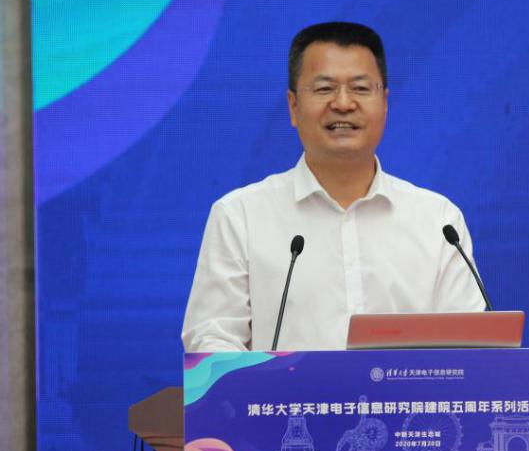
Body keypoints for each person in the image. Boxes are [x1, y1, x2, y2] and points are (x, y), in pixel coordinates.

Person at [182, 22, 486, 352]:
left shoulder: (438, 221)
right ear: (293, 107)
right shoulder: (240, 216)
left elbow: (471, 349)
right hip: (288, 390)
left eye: (360, 88)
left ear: (385, 103)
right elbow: (212, 344)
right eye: (324, 89)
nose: (343, 103)